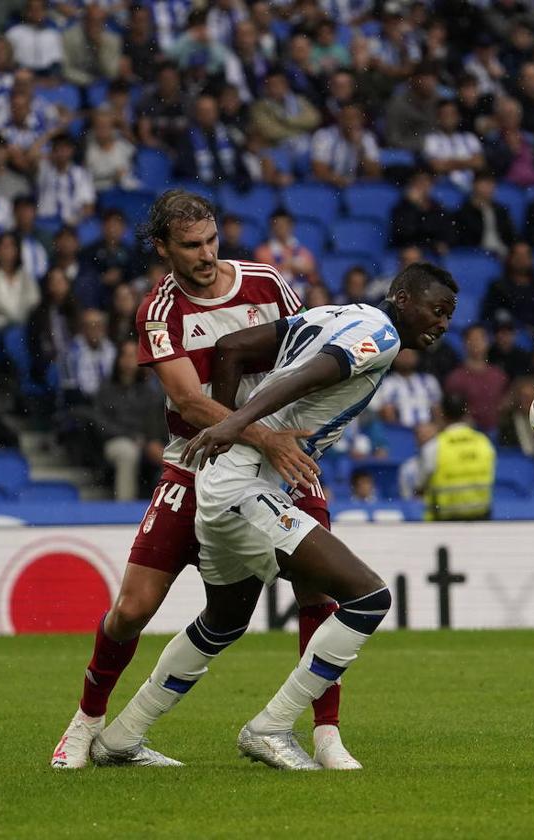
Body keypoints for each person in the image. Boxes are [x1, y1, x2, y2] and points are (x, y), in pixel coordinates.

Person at [90, 261, 457, 770]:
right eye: (437, 310)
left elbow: (231, 349)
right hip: (244, 483)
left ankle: (119, 738)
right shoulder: (382, 334)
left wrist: (225, 425)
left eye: (449, 316)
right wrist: (236, 424)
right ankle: (271, 726)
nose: (442, 324)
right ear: (401, 298)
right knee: (369, 598)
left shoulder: (334, 313)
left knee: (224, 620)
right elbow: (315, 372)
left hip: (230, 480)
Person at [51, 190, 351, 771]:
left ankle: (326, 733)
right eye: (191, 246)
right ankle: (86, 722)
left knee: (320, 589)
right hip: (196, 465)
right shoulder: (159, 310)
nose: (206, 255)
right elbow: (189, 403)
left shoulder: (266, 283)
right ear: (162, 248)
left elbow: (305, 358)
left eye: (212, 240)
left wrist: (301, 434)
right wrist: (265, 436)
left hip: (278, 464)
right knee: (134, 608)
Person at [71, 339, 168, 500]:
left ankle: (163, 507)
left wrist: (150, 440)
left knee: (167, 455)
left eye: (134, 356)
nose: (130, 361)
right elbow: (101, 423)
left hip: (145, 441)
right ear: (118, 359)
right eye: (126, 356)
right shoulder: (106, 388)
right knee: (127, 452)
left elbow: (155, 422)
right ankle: (125, 505)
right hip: (115, 441)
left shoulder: (149, 391)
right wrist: (132, 436)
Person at [417, 392, 495, 522]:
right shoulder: (484, 442)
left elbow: (421, 485)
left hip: (445, 522)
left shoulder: (434, 446)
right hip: (481, 519)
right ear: (466, 413)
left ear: (442, 414)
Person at [444, 324, 508, 433]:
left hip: (497, 432)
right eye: (472, 339)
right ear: (464, 344)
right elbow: (451, 411)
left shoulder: (498, 375)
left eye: (480, 339)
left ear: (487, 342)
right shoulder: (456, 378)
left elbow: (504, 404)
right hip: (467, 432)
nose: (476, 343)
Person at [372, 348, 441, 428]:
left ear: (417, 357)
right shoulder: (386, 383)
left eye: (410, 354)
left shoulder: (429, 380)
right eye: (402, 354)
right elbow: (387, 414)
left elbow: (437, 411)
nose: (406, 357)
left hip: (429, 431)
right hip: (401, 432)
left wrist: (436, 429)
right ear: (394, 358)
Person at [37, 135, 96, 226]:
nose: (61, 152)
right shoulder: (43, 170)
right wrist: (52, 133)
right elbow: (31, 155)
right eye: (57, 149)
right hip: (47, 223)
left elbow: (88, 205)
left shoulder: (81, 174)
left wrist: (76, 220)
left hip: (73, 223)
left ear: (71, 150)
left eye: (65, 148)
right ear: (52, 151)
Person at [452, 173, 516, 257]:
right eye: (485, 183)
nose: (489, 187)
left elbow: (511, 235)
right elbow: (464, 239)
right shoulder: (463, 212)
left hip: (503, 253)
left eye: (492, 183)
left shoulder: (501, 211)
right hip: (476, 254)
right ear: (474, 185)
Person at [253, 210, 321, 288]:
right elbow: (270, 273)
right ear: (271, 228)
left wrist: (286, 265)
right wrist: (295, 266)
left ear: (291, 226)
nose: (281, 228)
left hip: (301, 293)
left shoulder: (302, 250)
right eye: (278, 225)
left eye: (284, 225)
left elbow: (311, 269)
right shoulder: (262, 251)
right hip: (275, 291)